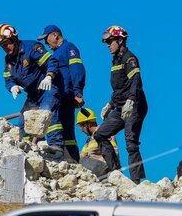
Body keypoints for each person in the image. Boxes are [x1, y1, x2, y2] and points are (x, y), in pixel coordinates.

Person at [0, 23, 65, 157]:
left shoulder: (31, 48)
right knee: (23, 121)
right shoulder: (8, 61)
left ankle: (56, 146)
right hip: (32, 95)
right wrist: (12, 87)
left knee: (47, 112)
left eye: (6, 44)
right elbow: (8, 79)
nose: (5, 48)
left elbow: (51, 62)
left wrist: (49, 76)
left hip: (48, 88)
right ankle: (32, 148)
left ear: (14, 39)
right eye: (2, 46)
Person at [93, 25, 148, 184]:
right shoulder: (115, 60)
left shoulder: (129, 58)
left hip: (134, 105)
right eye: (107, 42)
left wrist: (131, 100)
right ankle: (115, 173)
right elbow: (120, 88)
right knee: (100, 134)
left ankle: (136, 182)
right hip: (119, 106)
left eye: (110, 41)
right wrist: (110, 104)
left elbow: (135, 82)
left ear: (120, 40)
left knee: (131, 143)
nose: (108, 45)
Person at [37, 25, 86, 162]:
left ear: (55, 35)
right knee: (66, 127)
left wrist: (78, 92)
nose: (46, 43)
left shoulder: (68, 48)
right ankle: (72, 160)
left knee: (56, 119)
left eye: (46, 39)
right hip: (63, 94)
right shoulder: (57, 52)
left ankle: (60, 150)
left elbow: (77, 70)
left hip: (67, 93)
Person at [76, 108, 119, 177]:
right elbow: (81, 156)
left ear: (87, 124)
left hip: (105, 168)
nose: (81, 130)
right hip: (96, 169)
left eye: (81, 126)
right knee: (76, 161)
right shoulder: (89, 141)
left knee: (80, 163)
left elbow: (114, 152)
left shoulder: (105, 133)